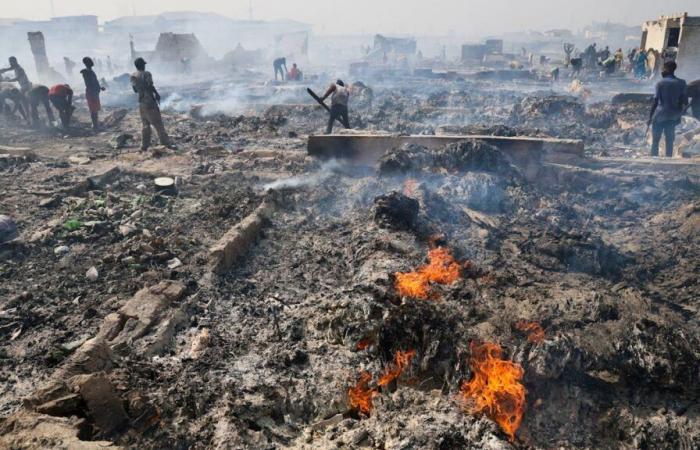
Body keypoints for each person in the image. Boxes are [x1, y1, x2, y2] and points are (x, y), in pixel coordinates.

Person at [130, 57, 173, 151]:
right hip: (149, 101)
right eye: (144, 64)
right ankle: (165, 143)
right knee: (158, 123)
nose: (145, 66)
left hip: (141, 102)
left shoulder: (133, 75)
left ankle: (144, 145)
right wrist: (156, 94)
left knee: (145, 124)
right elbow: (150, 85)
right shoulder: (147, 74)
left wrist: (140, 87)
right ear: (142, 65)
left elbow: (134, 90)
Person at [648, 61, 687, 158]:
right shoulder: (682, 82)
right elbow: (685, 101)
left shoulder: (660, 83)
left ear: (667, 69)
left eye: (663, 68)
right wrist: (679, 113)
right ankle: (668, 158)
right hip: (673, 116)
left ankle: (654, 159)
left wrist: (650, 117)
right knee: (669, 139)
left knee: (656, 140)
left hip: (660, 115)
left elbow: (656, 102)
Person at [80, 57, 105, 130]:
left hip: (94, 92)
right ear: (87, 63)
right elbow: (89, 84)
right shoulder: (86, 72)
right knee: (93, 110)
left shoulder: (90, 71)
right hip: (92, 93)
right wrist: (93, 93)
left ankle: (95, 125)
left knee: (95, 109)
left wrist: (99, 87)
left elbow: (94, 82)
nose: (92, 62)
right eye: (90, 61)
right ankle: (95, 126)